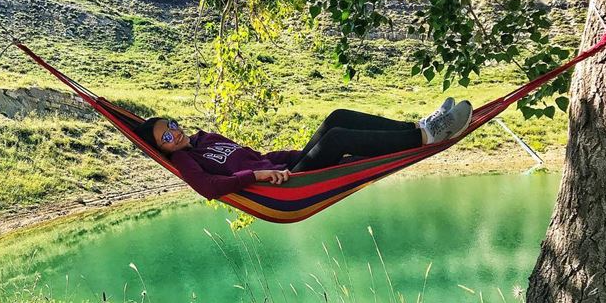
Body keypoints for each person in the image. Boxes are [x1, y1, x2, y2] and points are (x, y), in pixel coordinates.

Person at [134, 99, 472, 200]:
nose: (173, 135)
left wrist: (292, 155)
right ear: (161, 150)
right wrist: (258, 174)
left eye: (172, 126)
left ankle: (419, 128)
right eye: (165, 138)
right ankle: (428, 136)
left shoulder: (205, 139)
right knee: (337, 138)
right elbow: (209, 189)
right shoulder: (185, 160)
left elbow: (258, 157)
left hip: (288, 169)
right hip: (285, 188)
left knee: (337, 117)